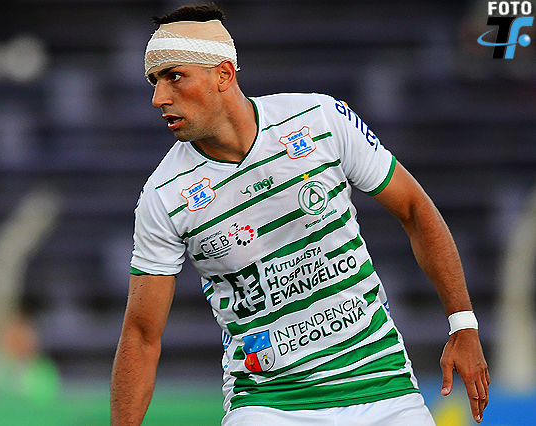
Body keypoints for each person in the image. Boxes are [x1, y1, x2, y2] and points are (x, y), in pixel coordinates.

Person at [110, 3, 490, 425]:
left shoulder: (319, 119)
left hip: (382, 386)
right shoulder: (163, 195)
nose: (159, 98)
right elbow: (141, 336)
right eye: (154, 81)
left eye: (174, 76)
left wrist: (463, 323)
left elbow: (415, 209)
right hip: (269, 403)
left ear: (223, 74)